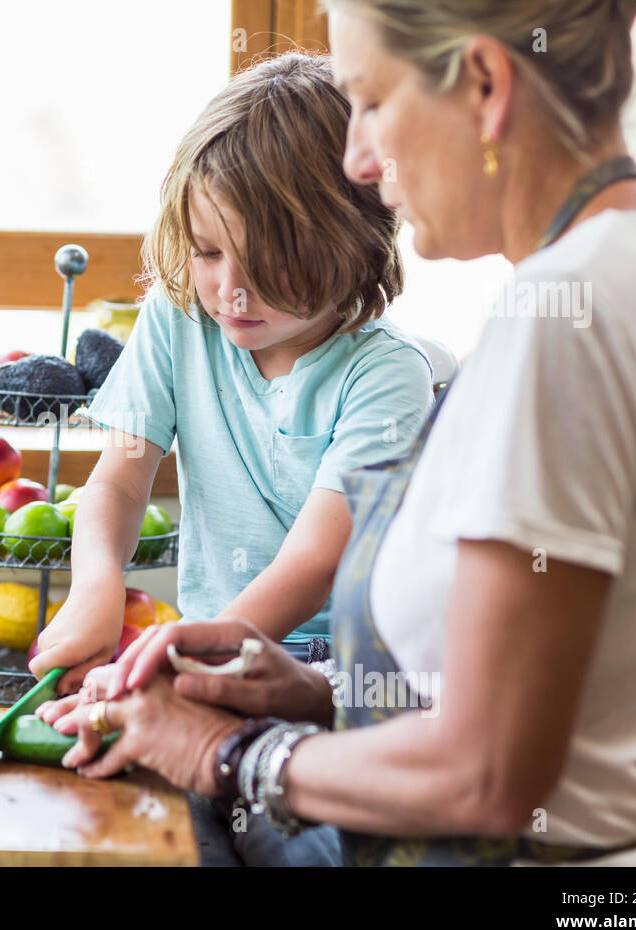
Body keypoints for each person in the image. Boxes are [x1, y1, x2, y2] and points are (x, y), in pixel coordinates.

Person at [53, 0, 636, 866]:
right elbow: (571, 692)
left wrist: (222, 752)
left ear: (486, 84)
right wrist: (314, 691)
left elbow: (489, 774)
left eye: (371, 101)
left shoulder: (568, 321)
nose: (360, 160)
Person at [30, 53, 433, 698]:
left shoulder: (385, 375)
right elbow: (121, 481)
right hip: (207, 642)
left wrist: (189, 659)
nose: (231, 292)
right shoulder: (178, 318)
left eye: (267, 261)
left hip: (337, 674)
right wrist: (95, 589)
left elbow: (316, 561)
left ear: (354, 242)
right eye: (209, 252)